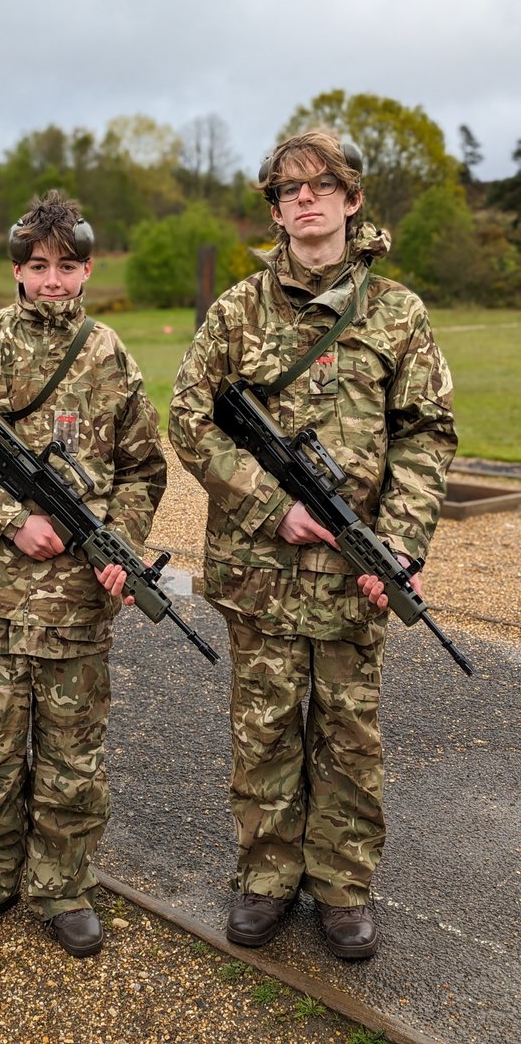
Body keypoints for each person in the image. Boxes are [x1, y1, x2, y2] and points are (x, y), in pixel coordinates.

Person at [168, 132, 456, 960]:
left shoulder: (396, 312)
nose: (303, 199)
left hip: (354, 575)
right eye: (286, 190)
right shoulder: (236, 311)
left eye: (320, 184)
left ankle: (341, 890)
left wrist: (400, 542)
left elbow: (428, 434)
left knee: (348, 734)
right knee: (262, 731)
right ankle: (264, 880)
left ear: (351, 198)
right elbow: (189, 418)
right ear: (275, 209)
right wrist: (267, 503)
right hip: (261, 572)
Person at [0, 190, 166, 957]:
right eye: (38, 266)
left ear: (89, 270)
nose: (53, 281)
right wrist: (9, 517)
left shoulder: (110, 355)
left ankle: (60, 885)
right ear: (16, 269)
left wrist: (118, 545)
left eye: (68, 267)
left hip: (76, 601)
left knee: (70, 758)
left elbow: (143, 468)